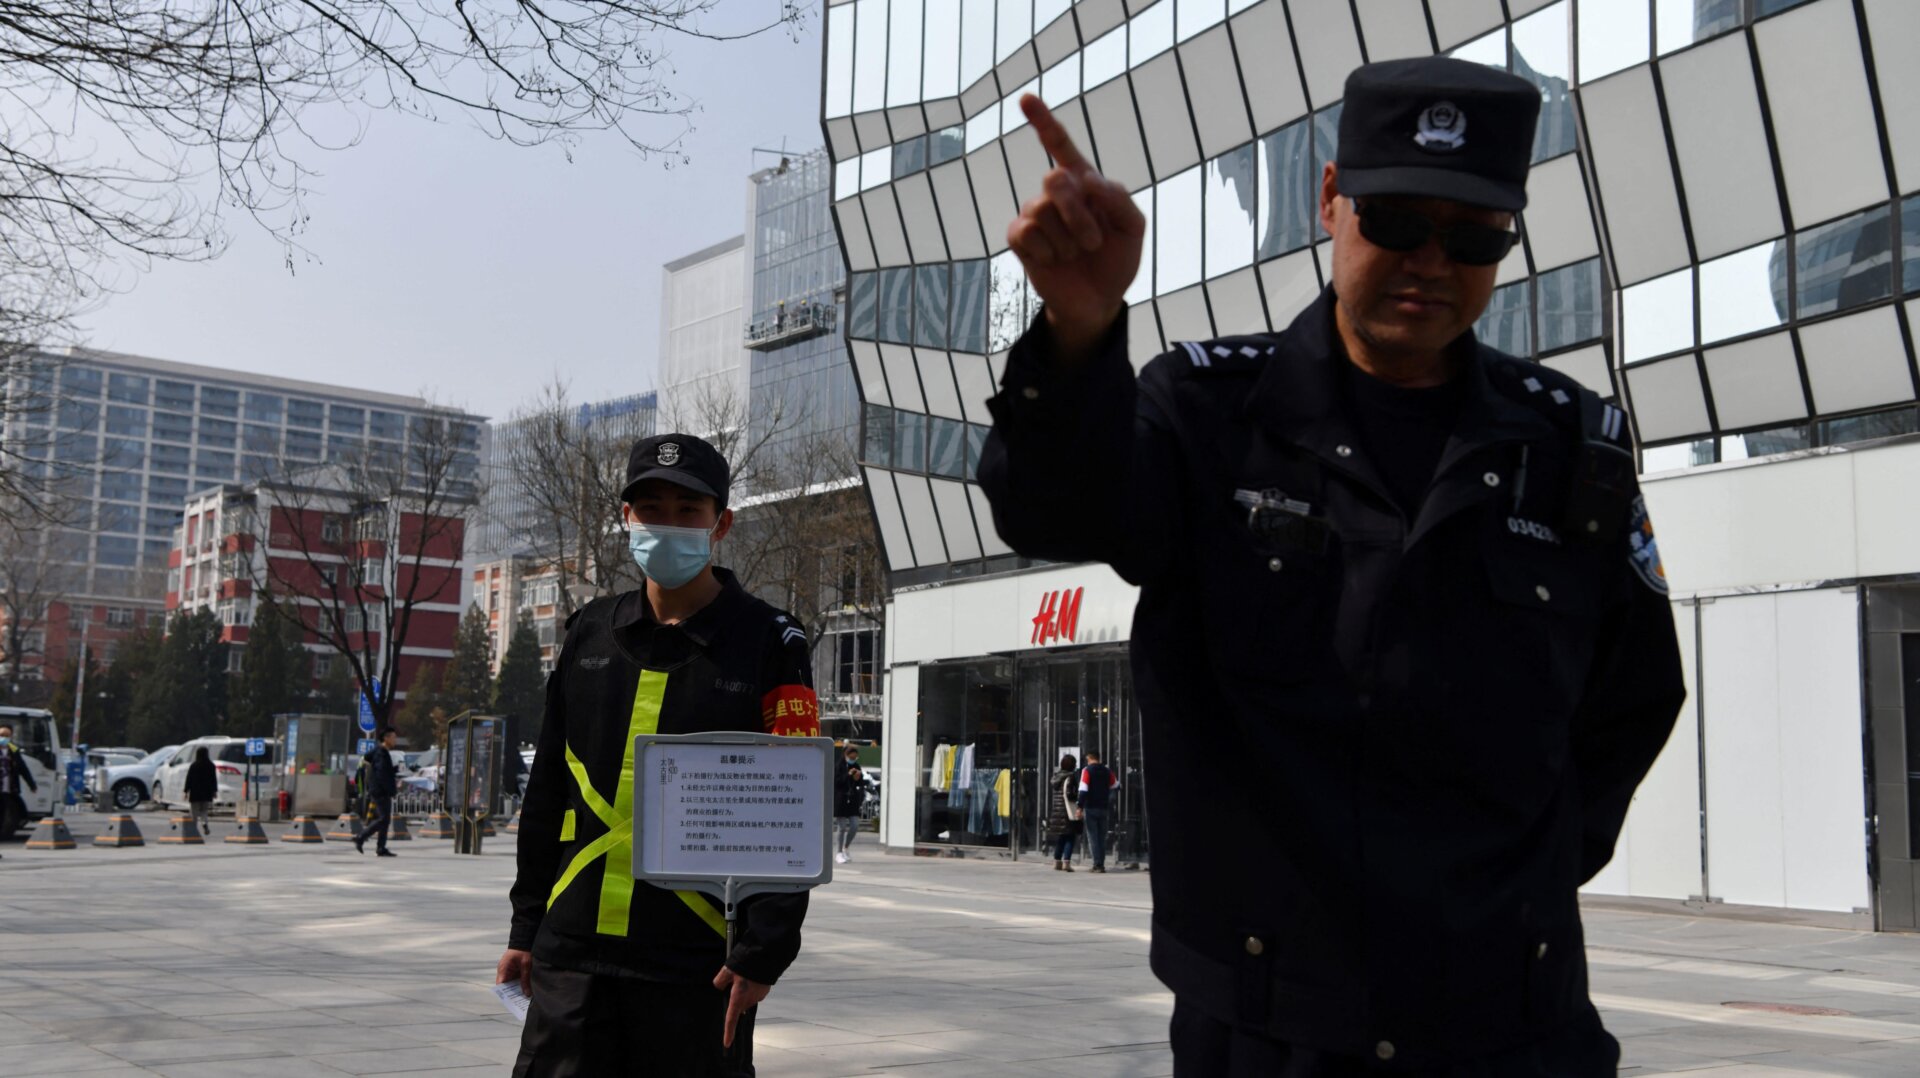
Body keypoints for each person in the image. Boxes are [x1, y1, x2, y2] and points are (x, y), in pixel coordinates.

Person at [980, 58, 1686, 1075]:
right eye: (1397, 221)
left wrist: (1513, 879)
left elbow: (1633, 696)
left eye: (1474, 234)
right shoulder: (1210, 418)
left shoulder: (1572, 447)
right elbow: (1049, 507)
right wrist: (1079, 331)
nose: (1430, 261)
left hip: (1512, 1022)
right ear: (1329, 200)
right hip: (1272, 1025)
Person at [499, 432, 822, 1078]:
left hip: (696, 965)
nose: (666, 526)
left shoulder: (770, 642)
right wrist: (525, 928)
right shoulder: (588, 632)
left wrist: (765, 949)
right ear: (625, 518)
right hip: (574, 957)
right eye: (650, 509)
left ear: (721, 523)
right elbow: (547, 798)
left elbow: (793, 812)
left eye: (687, 511)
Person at [354, 727, 399, 857]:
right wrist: (389, 789)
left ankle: (381, 847)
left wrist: (394, 769)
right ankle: (361, 837)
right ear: (386, 738)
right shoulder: (381, 753)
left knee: (385, 820)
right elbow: (381, 774)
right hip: (380, 791)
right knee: (383, 819)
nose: (395, 740)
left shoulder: (382, 752)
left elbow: (384, 771)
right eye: (393, 737)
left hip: (380, 790)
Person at [1076, 751, 1117, 874]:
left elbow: (1083, 790)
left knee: (1092, 836)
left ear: (1090, 758)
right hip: (1103, 808)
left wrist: (1079, 807)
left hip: (1091, 807)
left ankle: (1097, 864)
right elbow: (1116, 785)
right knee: (1101, 837)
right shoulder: (1107, 771)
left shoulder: (1087, 770)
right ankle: (1102, 863)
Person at [0, 723, 37, 855]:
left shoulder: (13, 750)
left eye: (7, 735)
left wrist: (32, 785)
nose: (4, 738)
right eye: (2, 735)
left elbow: (23, 769)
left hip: (9, 791)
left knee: (2, 819)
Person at [1045, 754, 1081, 872]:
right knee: (1070, 837)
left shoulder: (1057, 777)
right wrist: (1078, 797)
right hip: (1068, 812)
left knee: (1061, 837)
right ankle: (1066, 862)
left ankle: (1057, 862)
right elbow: (1071, 795)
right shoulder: (1070, 777)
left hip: (1057, 811)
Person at [833, 745, 864, 864]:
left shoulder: (856, 766)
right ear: (845, 755)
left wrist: (857, 778)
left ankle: (846, 847)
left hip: (852, 800)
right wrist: (848, 774)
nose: (853, 759)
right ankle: (839, 852)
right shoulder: (839, 766)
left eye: (855, 757)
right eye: (851, 757)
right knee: (842, 827)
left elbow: (860, 783)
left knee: (855, 825)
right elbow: (837, 782)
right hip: (841, 799)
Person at [183, 746, 217, 836]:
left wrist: (186, 791)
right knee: (204, 811)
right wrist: (214, 791)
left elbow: (189, 779)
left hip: (195, 793)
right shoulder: (211, 765)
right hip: (207, 793)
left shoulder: (194, 765)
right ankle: (204, 823)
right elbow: (214, 779)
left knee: (194, 812)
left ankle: (194, 828)